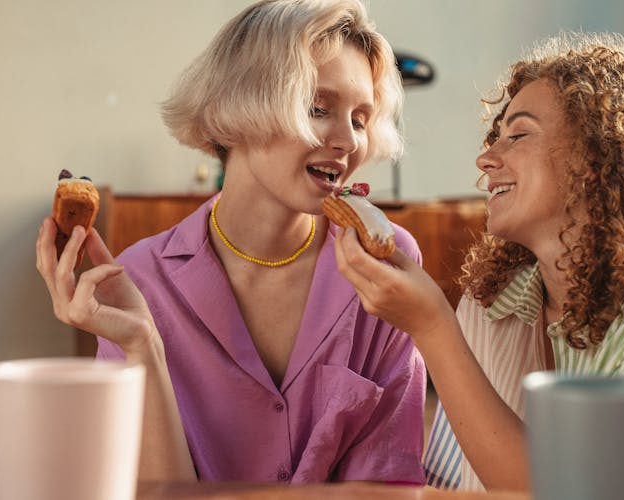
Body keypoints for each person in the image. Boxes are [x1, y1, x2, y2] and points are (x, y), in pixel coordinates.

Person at [36, 0, 426, 484]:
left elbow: (387, 486)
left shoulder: (386, 263)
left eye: (362, 118)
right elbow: (157, 495)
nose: (348, 140)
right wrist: (142, 347)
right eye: (317, 108)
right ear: (240, 107)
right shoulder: (138, 283)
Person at [333, 31, 624, 498]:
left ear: (598, 156)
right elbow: (453, 487)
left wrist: (433, 328)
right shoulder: (492, 307)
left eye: (518, 135)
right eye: (494, 138)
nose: (486, 158)